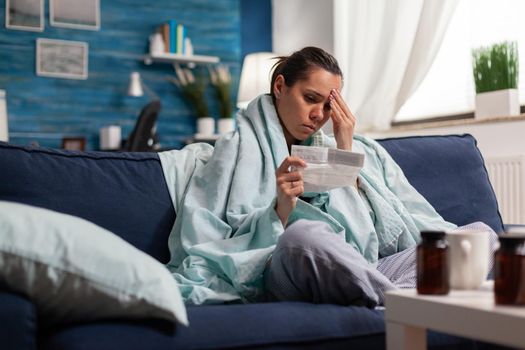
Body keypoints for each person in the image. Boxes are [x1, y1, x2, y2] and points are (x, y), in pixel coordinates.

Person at [159, 46, 497, 306]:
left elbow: (386, 236)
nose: (318, 115)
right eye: (309, 99)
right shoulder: (235, 149)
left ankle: (386, 299)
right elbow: (205, 238)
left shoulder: (358, 150)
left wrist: (345, 152)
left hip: (361, 267)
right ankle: (405, 303)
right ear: (280, 86)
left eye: (327, 106)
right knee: (305, 236)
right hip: (281, 266)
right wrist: (280, 208)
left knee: (481, 235)